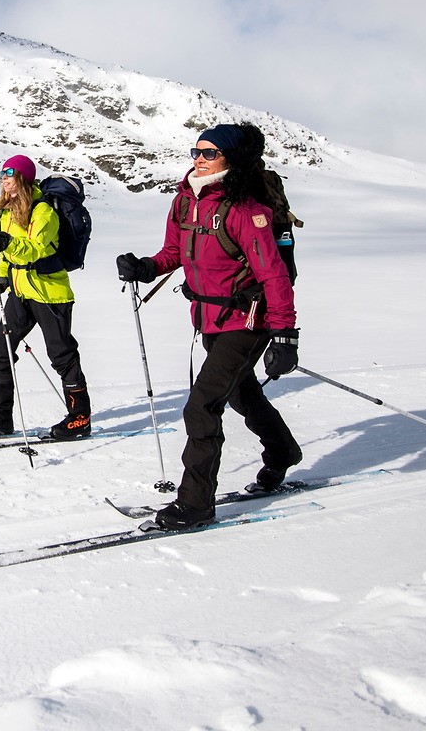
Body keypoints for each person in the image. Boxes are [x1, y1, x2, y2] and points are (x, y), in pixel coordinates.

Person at [116, 124, 302, 530]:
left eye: (209, 152)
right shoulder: (186, 201)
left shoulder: (243, 209)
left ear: (231, 159)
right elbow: (173, 253)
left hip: (248, 320)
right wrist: (145, 267)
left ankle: (196, 504)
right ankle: (282, 451)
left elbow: (274, 276)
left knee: (201, 406)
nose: (198, 159)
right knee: (240, 392)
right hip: (209, 318)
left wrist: (286, 334)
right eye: (195, 151)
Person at [0, 155, 92, 441]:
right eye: (2, 173)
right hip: (21, 292)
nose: (4, 178)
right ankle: (1, 416)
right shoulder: (9, 211)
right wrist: (0, 280)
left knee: (62, 356)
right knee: (0, 352)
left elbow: (35, 249)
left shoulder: (44, 211)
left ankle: (80, 418)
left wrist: (3, 241)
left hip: (50, 294)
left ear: (23, 176)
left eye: (10, 173)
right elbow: (9, 255)